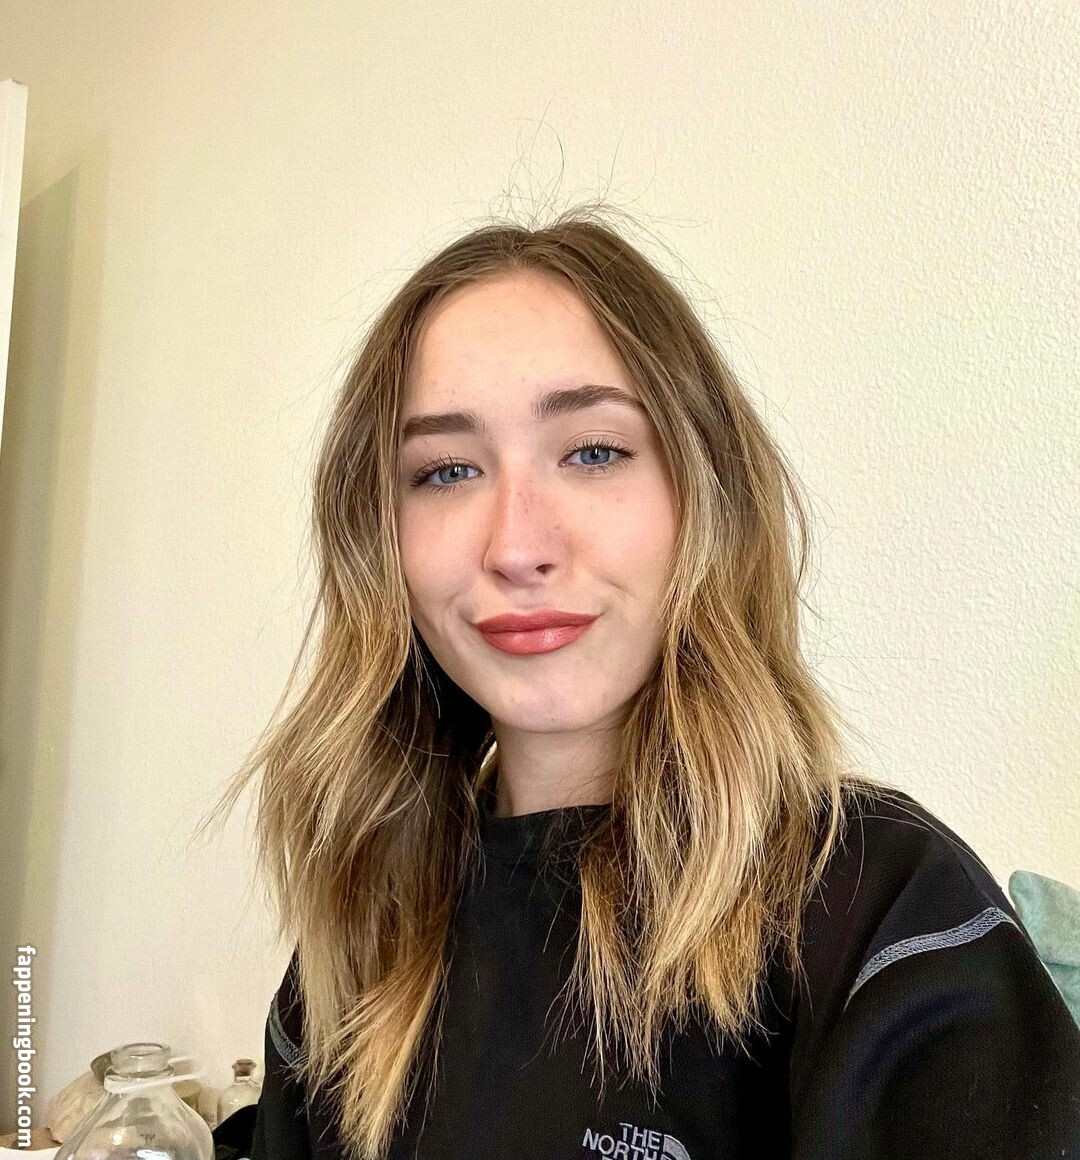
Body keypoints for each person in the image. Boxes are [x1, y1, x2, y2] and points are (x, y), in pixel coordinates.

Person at [202, 206, 1080, 1159]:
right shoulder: (356, 950)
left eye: (593, 452)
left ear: (704, 494)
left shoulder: (884, 912)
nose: (517, 546)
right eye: (447, 470)